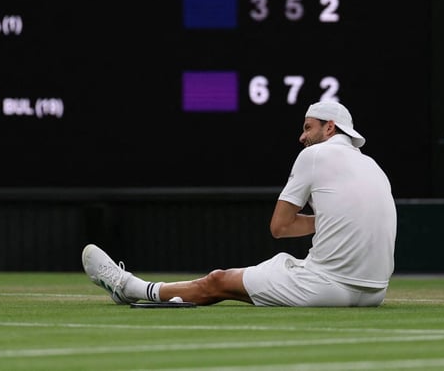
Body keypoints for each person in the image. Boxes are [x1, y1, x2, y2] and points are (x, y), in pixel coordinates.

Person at [83, 100, 396, 307]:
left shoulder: (314, 155)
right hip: (375, 293)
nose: (302, 137)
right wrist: (329, 219)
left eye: (307, 127)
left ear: (330, 127)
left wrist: (325, 220)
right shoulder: (375, 166)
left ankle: (130, 288)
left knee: (219, 281)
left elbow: (280, 227)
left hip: (326, 288)